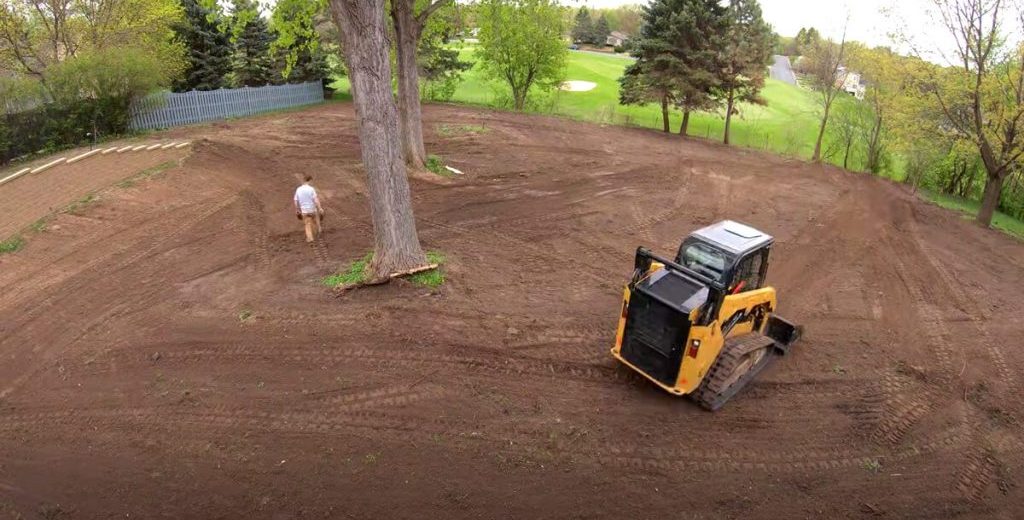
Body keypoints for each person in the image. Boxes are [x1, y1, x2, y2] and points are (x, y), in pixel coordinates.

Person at [294, 175, 324, 243]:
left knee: (307, 224)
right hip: (312, 209)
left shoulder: (298, 189)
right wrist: (320, 208)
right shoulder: (311, 189)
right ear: (310, 180)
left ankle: (310, 238)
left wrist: (297, 210)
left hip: (304, 211)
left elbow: (295, 200)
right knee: (316, 219)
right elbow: (316, 199)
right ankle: (319, 230)